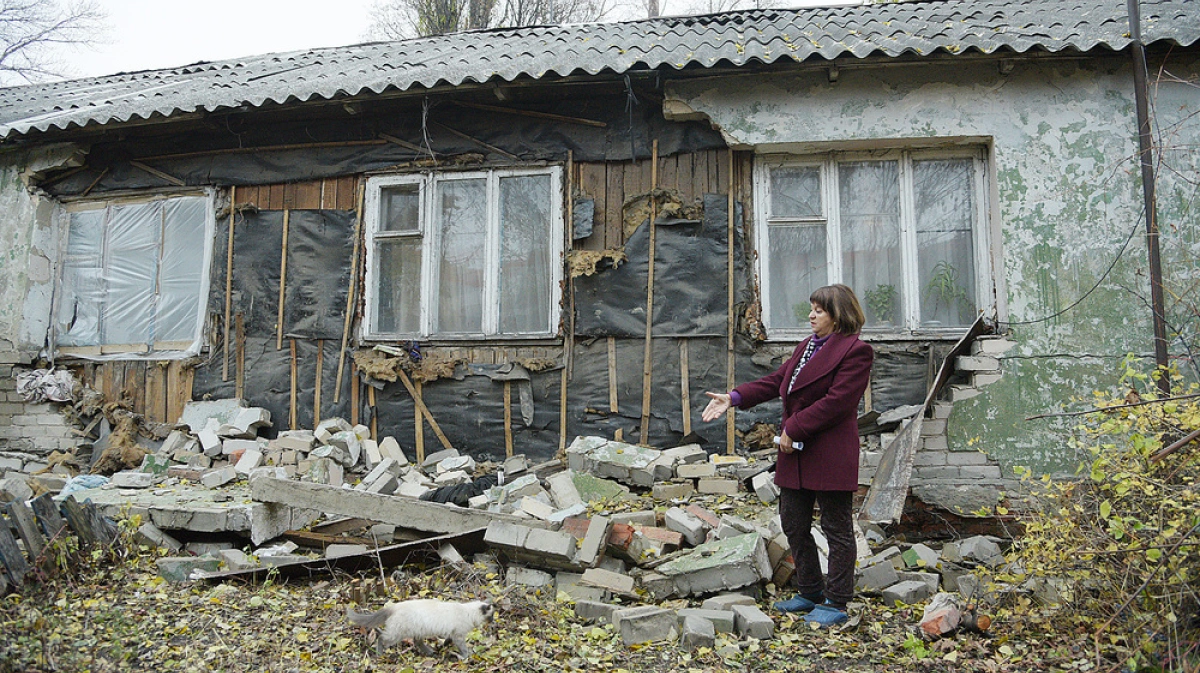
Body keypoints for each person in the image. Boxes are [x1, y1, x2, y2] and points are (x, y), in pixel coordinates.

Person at [701, 284, 873, 627]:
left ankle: (836, 599)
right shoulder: (807, 346)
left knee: (836, 528)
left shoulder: (856, 351)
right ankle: (809, 591)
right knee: (794, 522)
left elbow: (838, 403)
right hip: (794, 450)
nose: (811, 315)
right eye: (811, 308)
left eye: (819, 310)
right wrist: (734, 397)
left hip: (828, 450)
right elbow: (778, 381)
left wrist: (794, 427)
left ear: (839, 315)